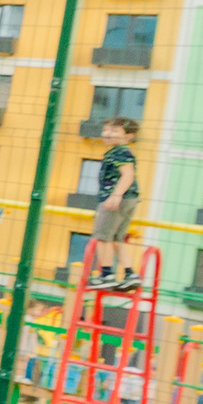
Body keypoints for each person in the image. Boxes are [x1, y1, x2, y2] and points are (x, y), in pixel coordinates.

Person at [90, 119, 143, 293]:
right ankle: (130, 274)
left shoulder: (120, 152)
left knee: (102, 237)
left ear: (129, 136)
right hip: (129, 198)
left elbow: (127, 175)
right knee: (116, 238)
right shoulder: (119, 152)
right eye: (105, 130)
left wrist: (115, 195)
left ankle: (106, 275)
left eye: (114, 131)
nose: (107, 134)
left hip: (117, 198)